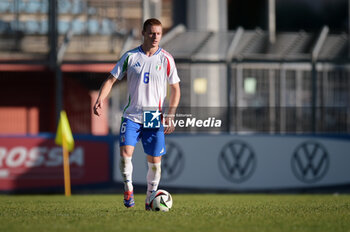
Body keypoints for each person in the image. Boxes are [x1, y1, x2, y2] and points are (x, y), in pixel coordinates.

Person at [93, 18, 181, 210]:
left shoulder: (166, 59)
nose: (155, 37)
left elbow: (176, 89)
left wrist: (171, 114)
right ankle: (128, 188)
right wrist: (101, 97)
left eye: (158, 33)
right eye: (151, 33)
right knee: (126, 154)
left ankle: (150, 199)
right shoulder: (130, 57)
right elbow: (111, 79)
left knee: (155, 162)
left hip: (152, 116)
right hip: (132, 115)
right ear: (143, 33)